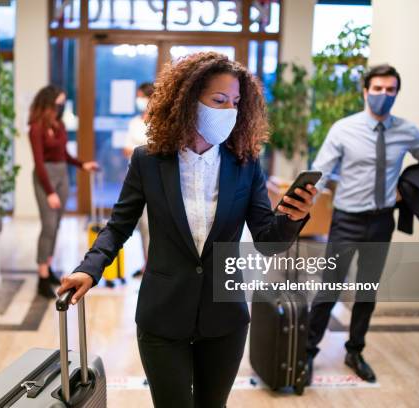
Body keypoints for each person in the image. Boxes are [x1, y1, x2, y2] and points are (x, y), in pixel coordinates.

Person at [58, 52, 316, 407]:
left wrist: (292, 217)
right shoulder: (148, 160)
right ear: (188, 100)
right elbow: (119, 226)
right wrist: (89, 269)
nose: (229, 110)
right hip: (163, 316)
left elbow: (268, 242)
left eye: (236, 102)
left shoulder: (245, 165)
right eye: (219, 100)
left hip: (224, 319)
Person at [307, 64, 419, 383]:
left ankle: (355, 350)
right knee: (330, 288)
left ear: (396, 93)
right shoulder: (343, 129)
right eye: (378, 89)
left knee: (367, 291)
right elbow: (321, 171)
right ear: (365, 92)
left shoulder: (407, 131)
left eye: (390, 90)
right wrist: (305, 203)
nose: (384, 95)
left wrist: (405, 191)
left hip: (382, 221)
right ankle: (307, 351)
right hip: (346, 220)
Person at [28, 85, 99, 298]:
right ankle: (41, 277)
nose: (60, 107)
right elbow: (39, 163)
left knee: (57, 224)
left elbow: (64, 154)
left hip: (62, 176)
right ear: (48, 103)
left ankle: (48, 268)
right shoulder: (36, 128)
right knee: (48, 225)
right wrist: (49, 192)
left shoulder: (59, 125)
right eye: (58, 103)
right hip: (45, 178)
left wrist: (82, 164)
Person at [123, 82, 154, 278]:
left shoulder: (161, 123)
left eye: (141, 96)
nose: (139, 101)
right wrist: (144, 148)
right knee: (142, 226)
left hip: (154, 180)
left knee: (152, 226)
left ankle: (153, 267)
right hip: (136, 179)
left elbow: (159, 149)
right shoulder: (135, 122)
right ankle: (146, 265)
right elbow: (126, 149)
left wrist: (138, 149)